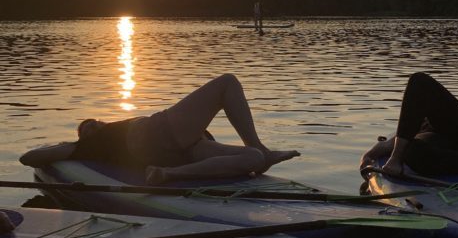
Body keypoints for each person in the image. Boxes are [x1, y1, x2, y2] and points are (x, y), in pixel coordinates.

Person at [19, 73, 300, 184]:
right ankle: (262, 146)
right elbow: (29, 158)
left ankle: (168, 175)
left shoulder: (102, 136)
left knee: (253, 160)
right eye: (88, 126)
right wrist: (64, 147)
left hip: (181, 153)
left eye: (95, 120)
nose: (94, 123)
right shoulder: (91, 144)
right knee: (227, 83)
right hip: (156, 133)